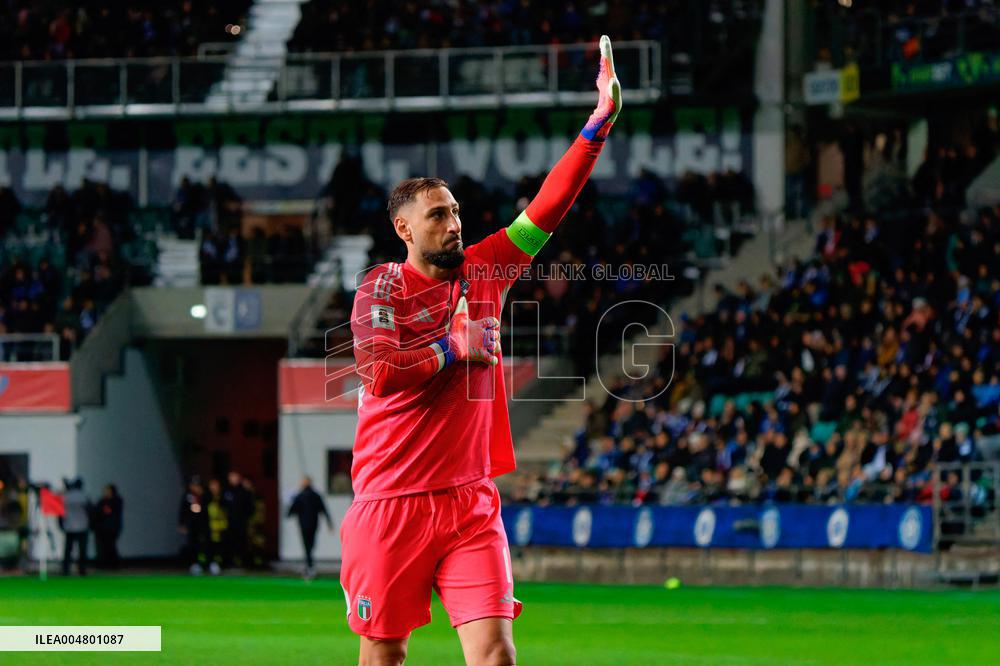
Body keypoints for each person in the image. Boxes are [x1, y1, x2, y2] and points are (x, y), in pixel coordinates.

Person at [342, 36, 621, 665]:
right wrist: (451, 347)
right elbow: (379, 372)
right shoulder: (382, 285)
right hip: (393, 501)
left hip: (470, 501)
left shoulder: (488, 266)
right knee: (384, 655)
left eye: (457, 212)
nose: (454, 223)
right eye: (438, 215)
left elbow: (548, 207)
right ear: (404, 229)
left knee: (495, 653)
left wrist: (596, 124)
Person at [287, 476, 332, 579]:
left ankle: (309, 566)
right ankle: (309, 565)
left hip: (303, 525)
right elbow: (324, 509)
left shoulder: (300, 495)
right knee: (310, 545)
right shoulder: (316, 495)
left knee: (307, 545)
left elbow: (291, 510)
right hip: (314, 524)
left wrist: (289, 511)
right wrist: (329, 523)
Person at [60, 478, 91, 576]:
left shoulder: (66, 497)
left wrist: (61, 524)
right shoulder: (84, 496)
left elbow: (61, 512)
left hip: (69, 526)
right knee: (82, 550)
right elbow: (90, 510)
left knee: (68, 550)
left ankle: (66, 569)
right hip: (82, 526)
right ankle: (82, 570)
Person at [178, 478, 208, 575]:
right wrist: (182, 524)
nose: (195, 487)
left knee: (205, 543)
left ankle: (208, 563)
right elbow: (182, 511)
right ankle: (194, 564)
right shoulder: (187, 496)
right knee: (192, 544)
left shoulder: (205, 495)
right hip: (191, 524)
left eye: (197, 485)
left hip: (203, 524)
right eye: (193, 485)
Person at [93, 484, 123, 569]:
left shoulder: (116, 501)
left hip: (111, 527)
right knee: (102, 547)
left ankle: (113, 564)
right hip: (102, 528)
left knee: (111, 546)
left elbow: (112, 512)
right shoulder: (102, 501)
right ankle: (103, 564)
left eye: (107, 490)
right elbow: (98, 512)